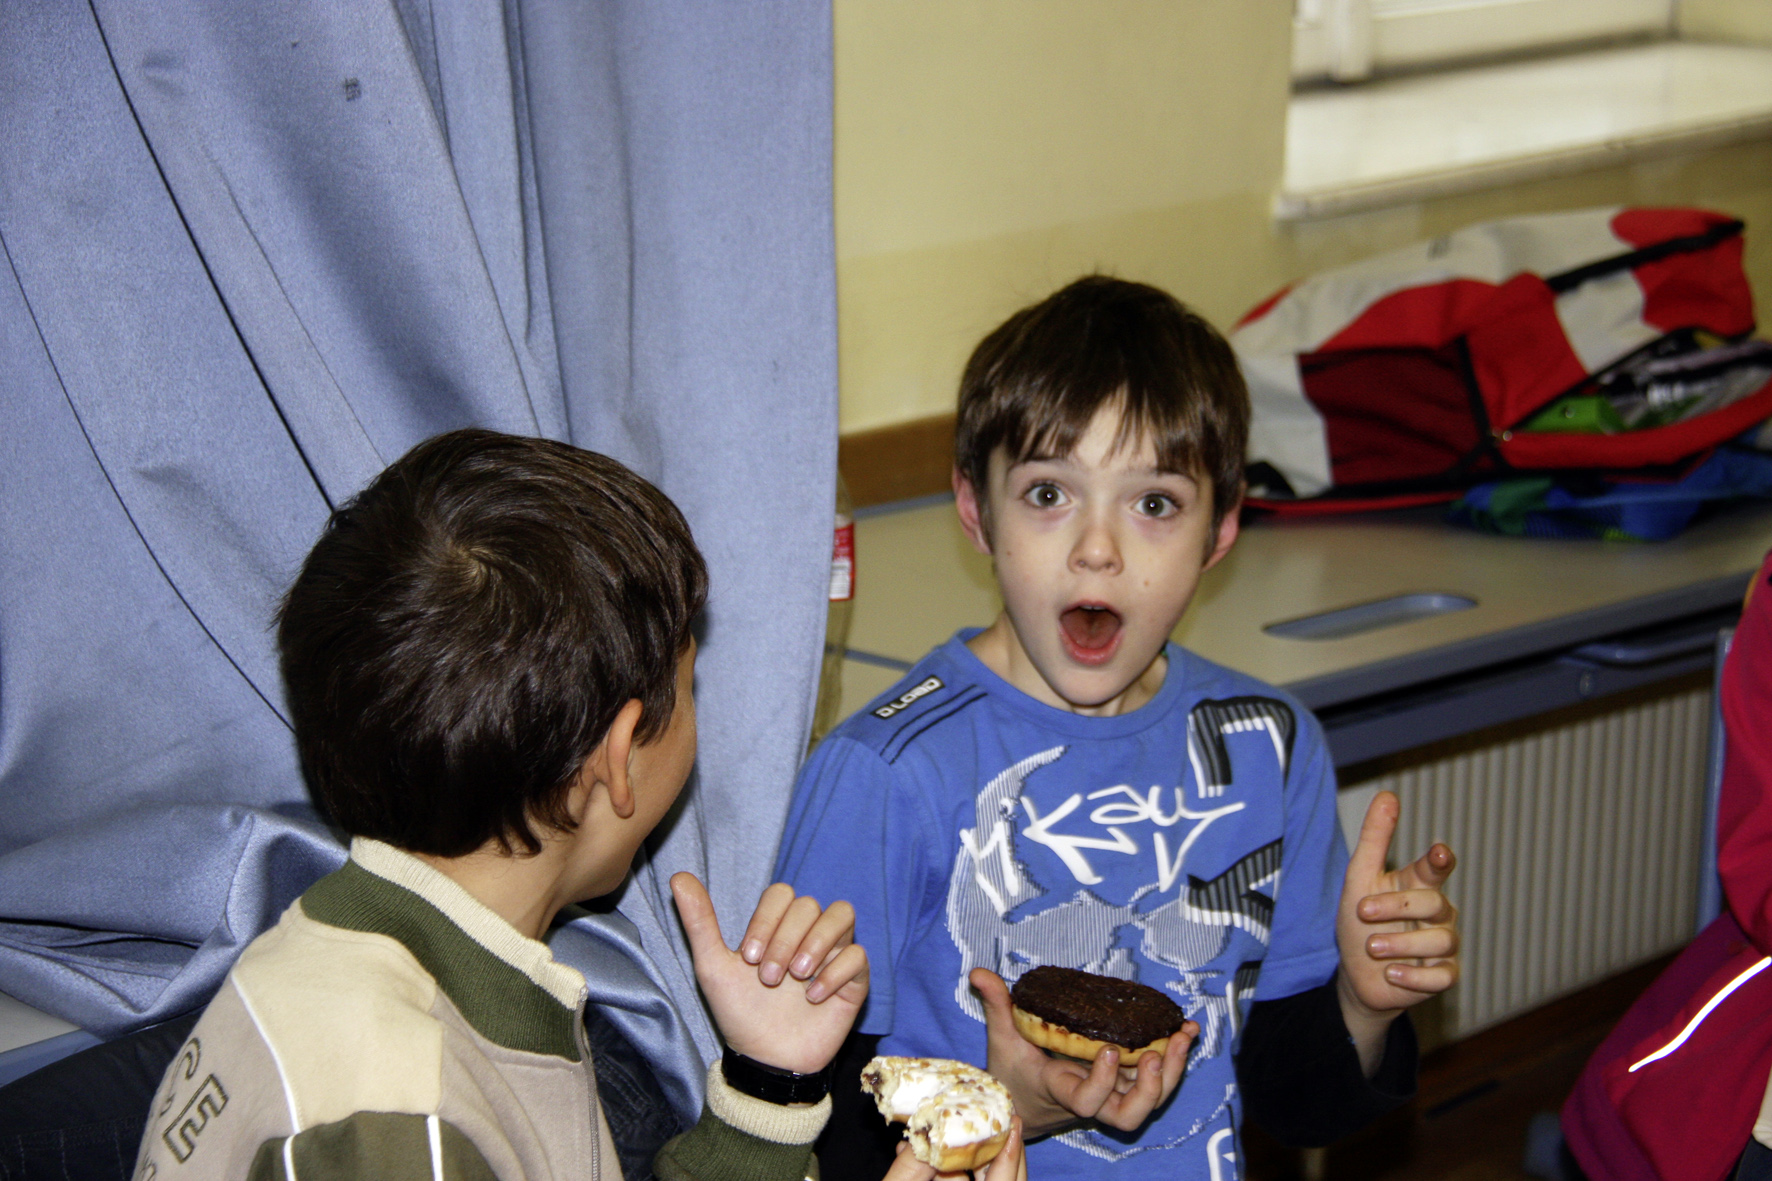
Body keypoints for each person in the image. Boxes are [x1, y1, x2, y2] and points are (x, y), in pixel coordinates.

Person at [130, 430, 1023, 1181]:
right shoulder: (400, 1122)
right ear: (619, 757)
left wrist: (768, 1087)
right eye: (689, 683)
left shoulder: (384, 966)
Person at [775, 277, 1461, 1179]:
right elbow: (796, 1129)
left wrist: (1363, 1006)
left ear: (1221, 529)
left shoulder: (1269, 746)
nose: (1097, 549)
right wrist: (1005, 1110)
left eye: (1155, 503)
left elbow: (1293, 1105)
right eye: (1048, 493)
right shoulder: (883, 773)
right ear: (976, 510)